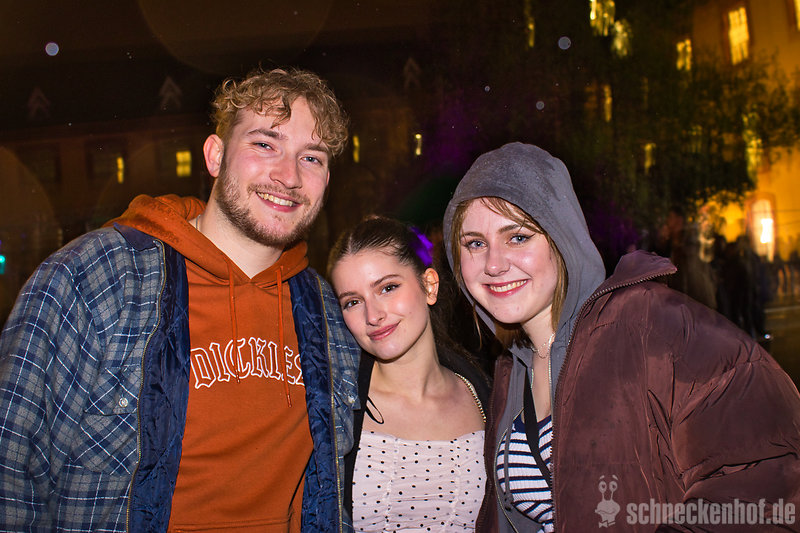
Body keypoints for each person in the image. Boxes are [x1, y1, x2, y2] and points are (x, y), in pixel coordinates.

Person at [0, 67, 361, 532]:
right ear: (215, 156)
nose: (288, 176)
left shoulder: (328, 313)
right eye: (265, 144)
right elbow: (12, 466)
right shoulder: (96, 277)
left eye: (311, 157)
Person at [442, 142, 800, 532]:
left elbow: (767, 481)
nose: (494, 264)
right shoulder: (511, 372)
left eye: (518, 237)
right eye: (475, 243)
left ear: (562, 237)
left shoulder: (651, 324)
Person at [327, 215, 490, 532]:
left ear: (429, 285)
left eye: (387, 288)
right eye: (352, 302)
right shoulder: (334, 408)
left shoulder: (486, 396)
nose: (373, 315)